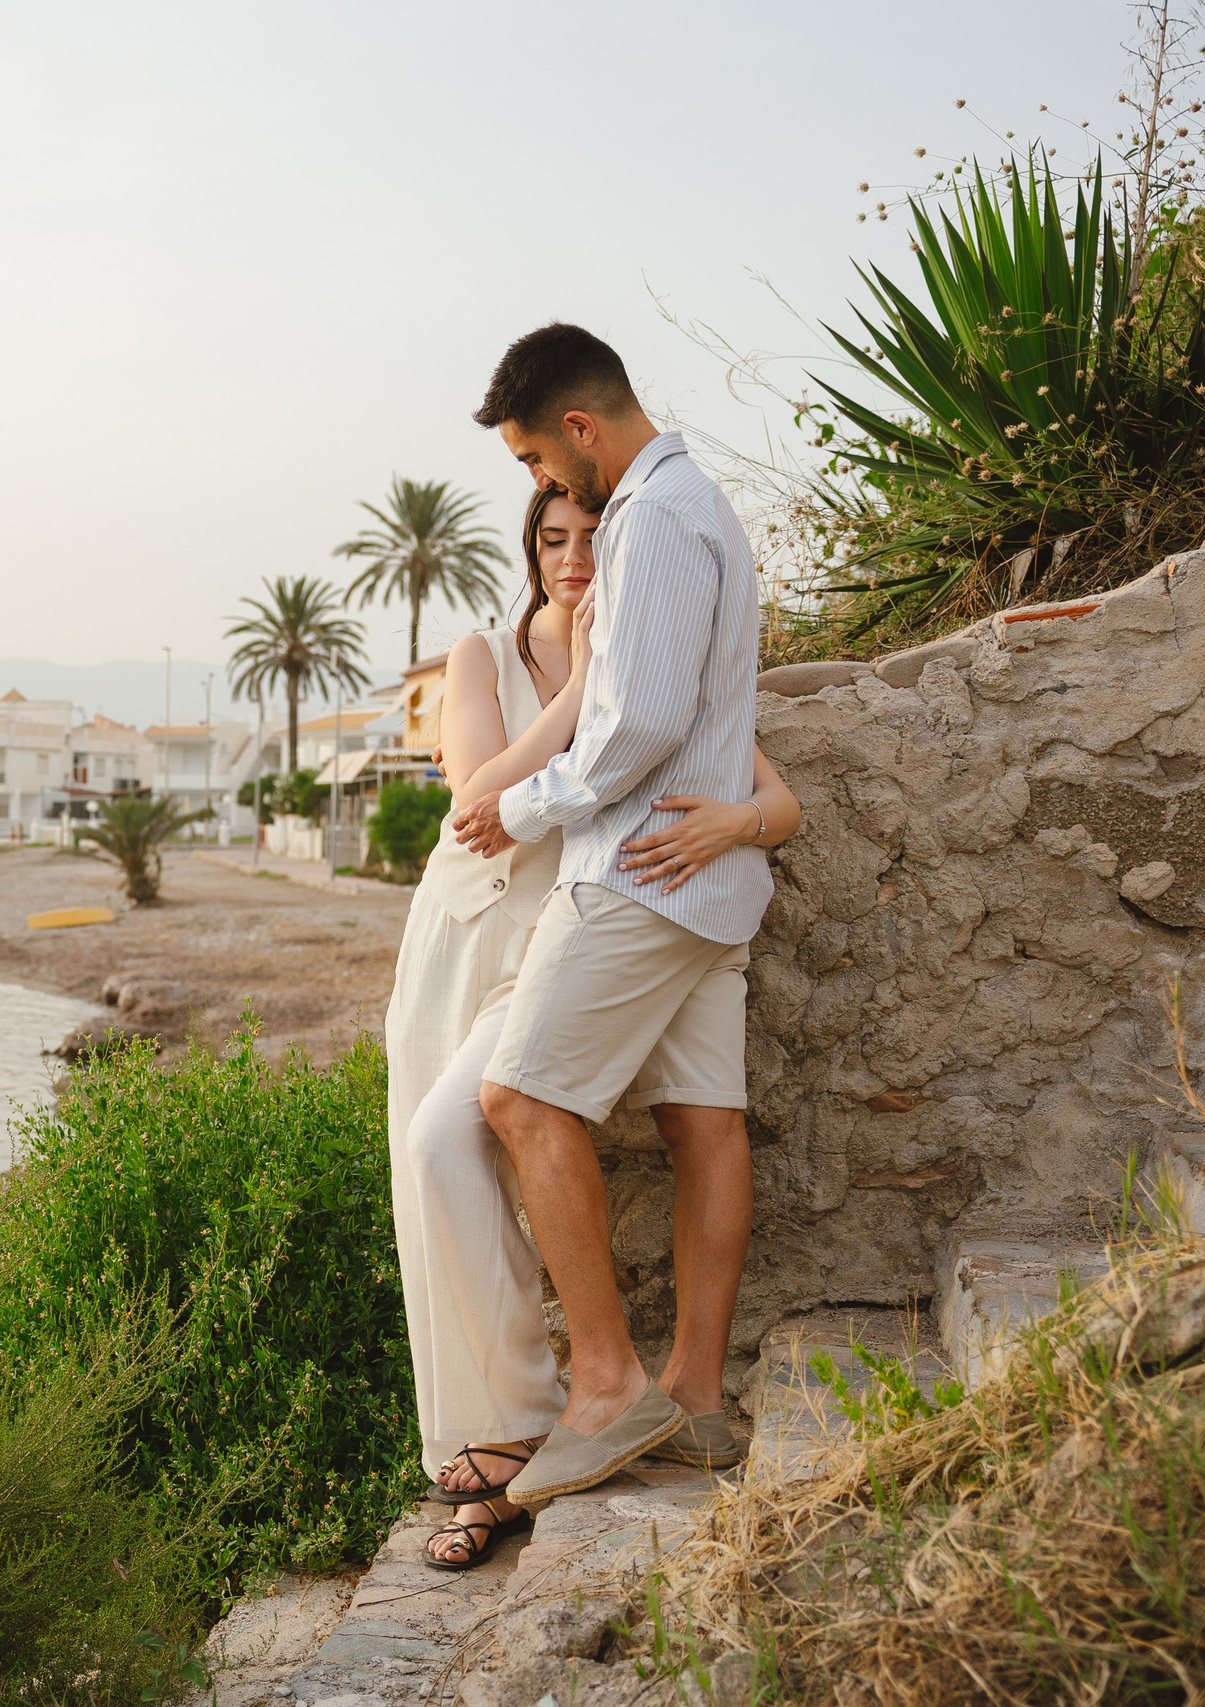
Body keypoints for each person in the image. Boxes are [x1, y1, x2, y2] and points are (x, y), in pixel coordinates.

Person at [389, 479, 799, 1568]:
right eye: (552, 537)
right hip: (486, 933)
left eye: (592, 538)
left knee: (695, 1122)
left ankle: (648, 1401)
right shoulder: (490, 651)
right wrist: (588, 687)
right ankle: (509, 1425)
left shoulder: (646, 644)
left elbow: (769, 794)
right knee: (435, 1144)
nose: (572, 555)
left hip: (607, 927)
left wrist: (739, 819)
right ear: (528, 547)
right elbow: (476, 797)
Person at [447, 322, 779, 1512]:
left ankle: (605, 1387)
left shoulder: (651, 518)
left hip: (639, 874)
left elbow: (632, 726)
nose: (544, 485)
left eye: (539, 463)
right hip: (705, 886)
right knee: (703, 1125)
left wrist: (525, 806)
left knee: (518, 1098)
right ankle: (691, 1405)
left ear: (580, 431)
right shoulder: (696, 508)